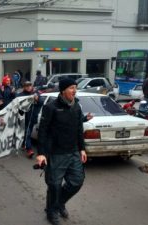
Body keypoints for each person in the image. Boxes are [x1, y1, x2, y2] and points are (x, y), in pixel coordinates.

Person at [36, 78, 87, 225]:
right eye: (71, 88)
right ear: (63, 90)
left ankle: (58, 203)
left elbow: (79, 129)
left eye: (75, 88)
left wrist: (82, 149)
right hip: (56, 153)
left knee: (77, 181)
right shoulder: (51, 107)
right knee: (54, 184)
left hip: (73, 152)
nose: (74, 90)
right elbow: (43, 131)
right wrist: (41, 153)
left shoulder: (76, 106)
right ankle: (52, 210)